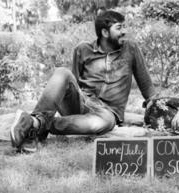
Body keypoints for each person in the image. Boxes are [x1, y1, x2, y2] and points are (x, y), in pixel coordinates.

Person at [10, 10, 156, 153]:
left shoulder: (130, 48)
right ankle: (35, 124)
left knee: (105, 122)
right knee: (62, 72)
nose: (124, 31)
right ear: (105, 33)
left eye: (124, 26)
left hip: (108, 113)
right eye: (119, 28)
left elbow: (145, 83)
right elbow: (71, 82)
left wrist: (156, 107)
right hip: (82, 103)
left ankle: (34, 124)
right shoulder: (83, 49)